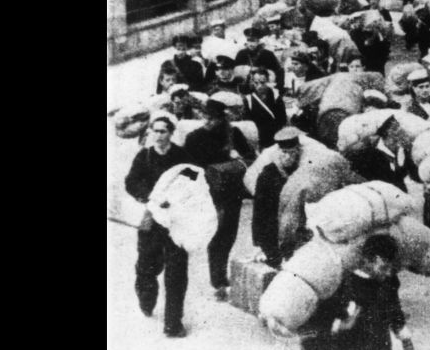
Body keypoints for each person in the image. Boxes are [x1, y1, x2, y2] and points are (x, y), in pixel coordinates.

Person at [124, 116, 195, 337]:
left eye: (163, 131)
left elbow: (194, 181)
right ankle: (146, 299)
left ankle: (173, 323)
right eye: (155, 131)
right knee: (146, 266)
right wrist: (149, 197)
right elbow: (131, 182)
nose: (158, 135)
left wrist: (177, 198)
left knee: (177, 272)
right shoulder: (144, 157)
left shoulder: (181, 156)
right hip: (152, 220)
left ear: (171, 133)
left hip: (176, 221)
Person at [184, 99, 257, 301]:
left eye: (212, 118)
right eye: (204, 116)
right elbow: (188, 169)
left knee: (228, 235)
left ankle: (220, 278)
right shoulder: (194, 138)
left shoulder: (233, 134)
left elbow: (251, 158)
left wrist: (237, 157)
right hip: (209, 195)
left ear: (221, 118)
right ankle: (218, 280)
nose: (206, 121)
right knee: (217, 237)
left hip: (232, 192)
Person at [251, 127, 301, 269]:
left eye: (292, 153)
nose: (288, 157)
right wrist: (262, 244)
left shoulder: (301, 170)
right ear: (278, 152)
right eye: (284, 152)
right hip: (273, 233)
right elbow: (259, 213)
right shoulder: (268, 175)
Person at [242, 67, 287, 149]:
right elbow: (248, 121)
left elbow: (282, 118)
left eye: (262, 82)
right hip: (260, 136)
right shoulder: (248, 99)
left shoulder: (276, 96)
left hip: (276, 133)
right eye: (256, 83)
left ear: (268, 81)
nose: (259, 86)